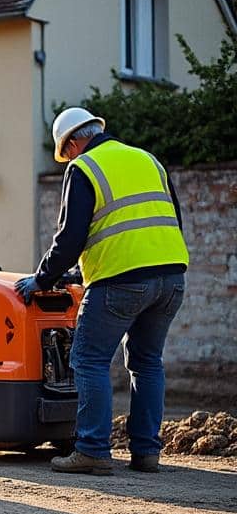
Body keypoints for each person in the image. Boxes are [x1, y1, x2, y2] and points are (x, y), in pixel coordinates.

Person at [16, 107, 189, 475]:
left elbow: (69, 239)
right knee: (147, 363)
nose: (70, 160)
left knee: (89, 360)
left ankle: (92, 449)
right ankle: (146, 453)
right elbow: (169, 218)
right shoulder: (149, 160)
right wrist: (84, 271)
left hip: (121, 281)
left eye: (68, 153)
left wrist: (41, 280)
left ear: (75, 142)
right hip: (172, 276)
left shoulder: (85, 167)